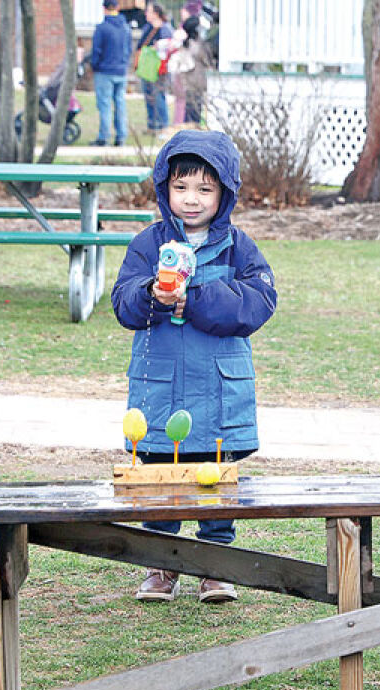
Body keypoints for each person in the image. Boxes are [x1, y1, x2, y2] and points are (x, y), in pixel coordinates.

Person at [112, 130, 278, 602]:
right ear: (164, 188)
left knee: (215, 475)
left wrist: (199, 298)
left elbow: (259, 303)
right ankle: (161, 566)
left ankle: (215, 564)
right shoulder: (147, 244)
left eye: (205, 189)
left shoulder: (238, 247)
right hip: (160, 386)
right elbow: (124, 305)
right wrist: (153, 296)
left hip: (220, 388)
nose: (191, 199)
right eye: (181, 187)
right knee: (160, 475)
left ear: (225, 193)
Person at [90, 0, 131, 147]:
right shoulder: (125, 28)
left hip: (104, 71)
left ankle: (104, 137)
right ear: (118, 8)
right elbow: (128, 49)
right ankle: (121, 136)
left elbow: (96, 51)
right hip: (121, 70)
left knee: (105, 104)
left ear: (104, 8)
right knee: (120, 104)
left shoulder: (102, 28)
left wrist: (95, 66)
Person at [135, 2, 173, 135]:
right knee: (148, 96)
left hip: (159, 70)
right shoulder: (147, 27)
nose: (146, 14)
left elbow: (169, 48)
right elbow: (140, 45)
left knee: (158, 96)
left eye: (149, 11)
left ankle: (163, 126)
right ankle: (152, 125)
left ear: (156, 13)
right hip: (147, 68)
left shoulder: (165, 29)